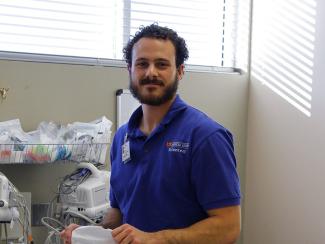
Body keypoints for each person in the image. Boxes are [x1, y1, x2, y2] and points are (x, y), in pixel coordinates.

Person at [61, 23, 241, 244]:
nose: (151, 72)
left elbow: (228, 226)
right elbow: (119, 214)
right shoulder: (121, 138)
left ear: (180, 71)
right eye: (142, 64)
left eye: (162, 64)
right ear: (130, 70)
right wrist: (89, 234)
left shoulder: (205, 137)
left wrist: (155, 239)